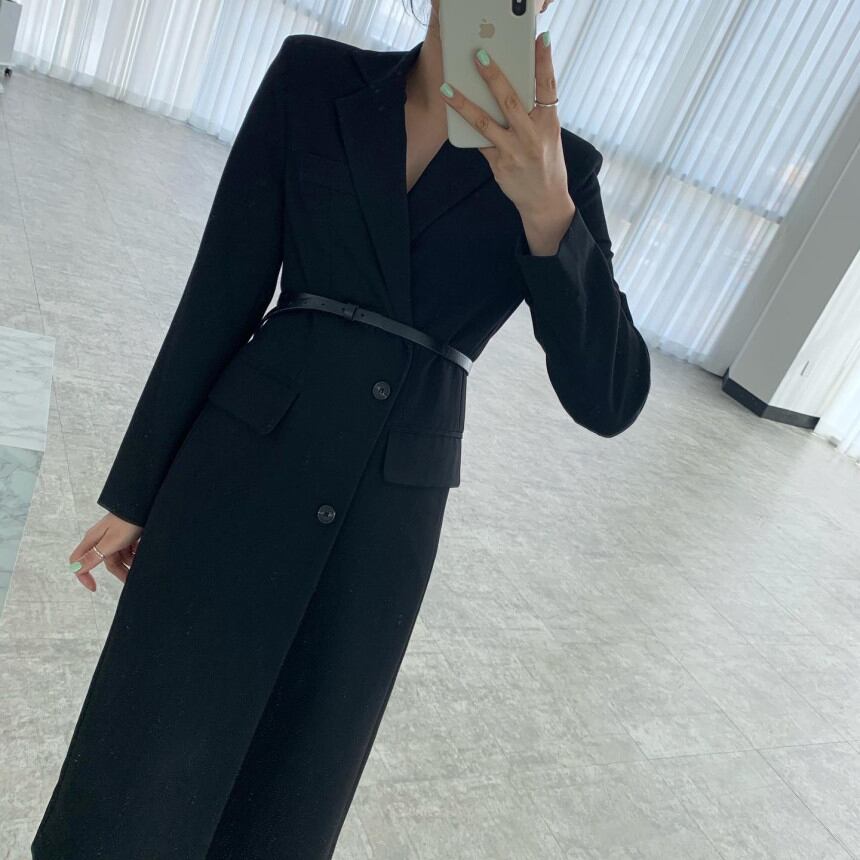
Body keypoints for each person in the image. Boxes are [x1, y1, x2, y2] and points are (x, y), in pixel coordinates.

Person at [32, 1, 650, 857]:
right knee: (144, 748)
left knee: (291, 778)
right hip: (242, 464)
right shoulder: (313, 80)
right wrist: (138, 489)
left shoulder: (563, 168)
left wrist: (549, 213)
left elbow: (610, 397)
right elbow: (221, 289)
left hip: (385, 517)